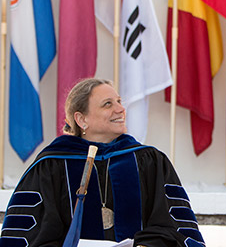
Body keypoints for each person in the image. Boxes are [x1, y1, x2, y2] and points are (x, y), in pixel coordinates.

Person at [0, 78, 206, 247]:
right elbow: (31, 235)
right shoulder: (51, 165)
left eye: (119, 101)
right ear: (81, 120)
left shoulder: (149, 161)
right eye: (108, 104)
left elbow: (174, 226)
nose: (120, 109)